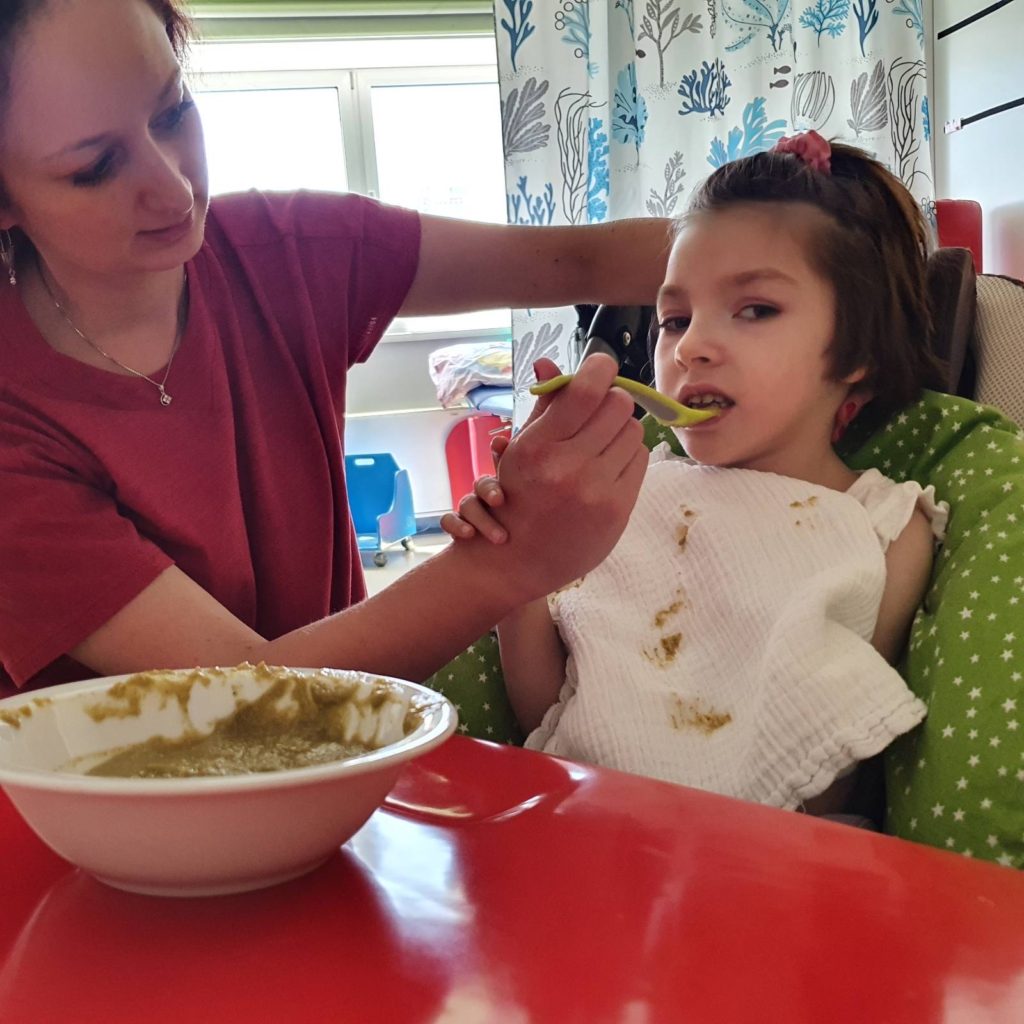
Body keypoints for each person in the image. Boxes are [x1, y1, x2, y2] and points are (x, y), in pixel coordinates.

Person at [0, 0, 671, 697]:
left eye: (172, 112)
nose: (172, 187)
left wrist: (775, 211)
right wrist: (514, 558)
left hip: (338, 763)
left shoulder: (283, 249)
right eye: (94, 167)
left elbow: (577, 261)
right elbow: (252, 700)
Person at [443, 132, 950, 817]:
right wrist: (515, 566)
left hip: (779, 857)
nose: (694, 348)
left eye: (756, 310)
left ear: (857, 347)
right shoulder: (629, 490)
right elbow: (558, 714)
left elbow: (836, 747)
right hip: (585, 828)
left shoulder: (884, 524)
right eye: (674, 319)